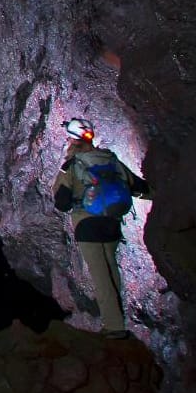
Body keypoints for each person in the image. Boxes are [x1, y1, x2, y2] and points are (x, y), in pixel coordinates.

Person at [51, 118, 150, 339]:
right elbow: (139, 187)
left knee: (100, 276)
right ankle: (118, 321)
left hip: (87, 226)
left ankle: (114, 327)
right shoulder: (111, 160)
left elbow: (62, 203)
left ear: (73, 140)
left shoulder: (72, 166)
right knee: (111, 268)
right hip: (111, 223)